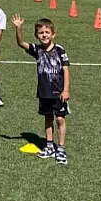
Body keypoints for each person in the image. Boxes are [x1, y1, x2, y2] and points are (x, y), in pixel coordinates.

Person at [11, 15, 70, 164]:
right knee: (48, 118)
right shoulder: (37, 50)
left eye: (47, 32)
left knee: (60, 119)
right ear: (37, 35)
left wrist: (65, 90)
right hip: (44, 92)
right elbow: (20, 43)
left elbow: (66, 70)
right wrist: (18, 28)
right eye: (41, 33)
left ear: (53, 34)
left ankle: (61, 148)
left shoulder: (59, 50)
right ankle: (49, 146)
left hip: (58, 93)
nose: (44, 35)